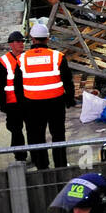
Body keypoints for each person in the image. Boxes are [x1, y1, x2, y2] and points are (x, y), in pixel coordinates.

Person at [15, 22, 74, 170]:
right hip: (56, 103)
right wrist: (69, 99)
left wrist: (22, 105)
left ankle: (42, 167)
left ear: (32, 39)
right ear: (47, 39)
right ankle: (61, 165)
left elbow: (17, 85)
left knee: (37, 136)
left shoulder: (21, 59)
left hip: (32, 104)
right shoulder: (58, 57)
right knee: (58, 135)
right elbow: (68, 81)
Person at [0, 31, 27, 163]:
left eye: (22, 41)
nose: (21, 44)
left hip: (29, 100)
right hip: (12, 103)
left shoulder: (28, 58)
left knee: (33, 130)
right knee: (16, 130)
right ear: (11, 44)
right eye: (18, 41)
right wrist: (3, 104)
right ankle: (20, 156)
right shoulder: (3, 62)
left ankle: (37, 156)